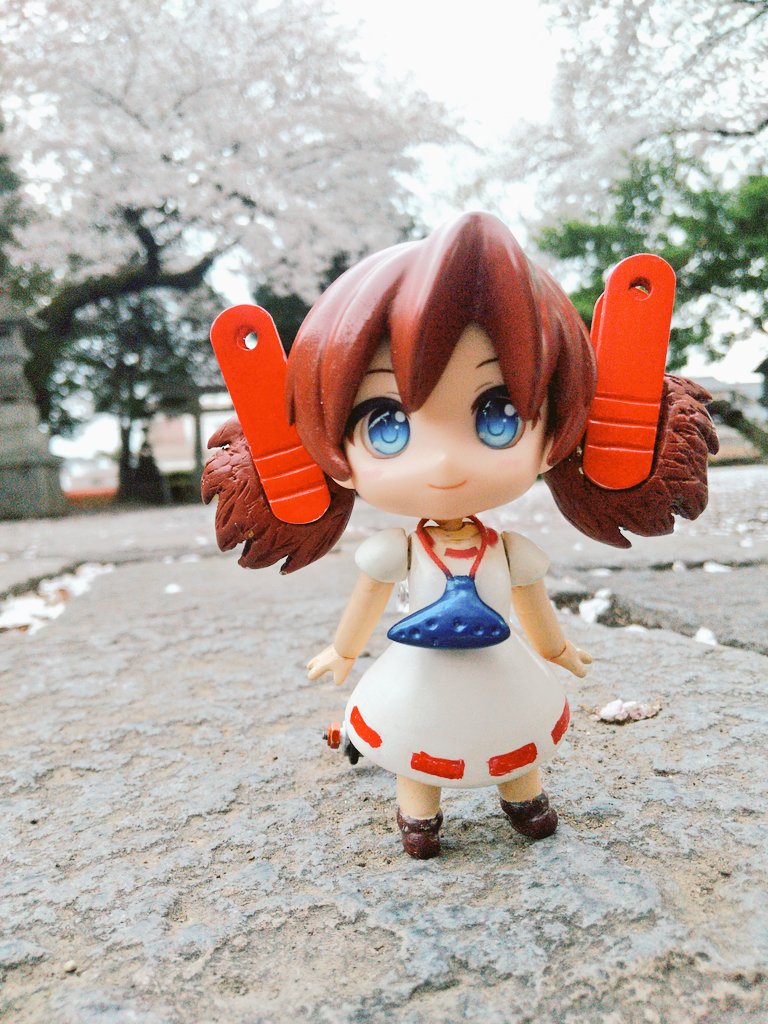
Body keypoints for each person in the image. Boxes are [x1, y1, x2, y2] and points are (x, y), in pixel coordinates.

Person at [203, 213, 717, 859]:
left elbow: (532, 602)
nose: (445, 462)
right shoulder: (397, 551)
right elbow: (368, 599)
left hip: (501, 667)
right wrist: (342, 650)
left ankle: (524, 800)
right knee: (417, 748)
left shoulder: (509, 552)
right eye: (386, 424)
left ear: (559, 427)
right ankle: (419, 817)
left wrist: (556, 649)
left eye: (499, 416)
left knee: (516, 744)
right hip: (419, 676)